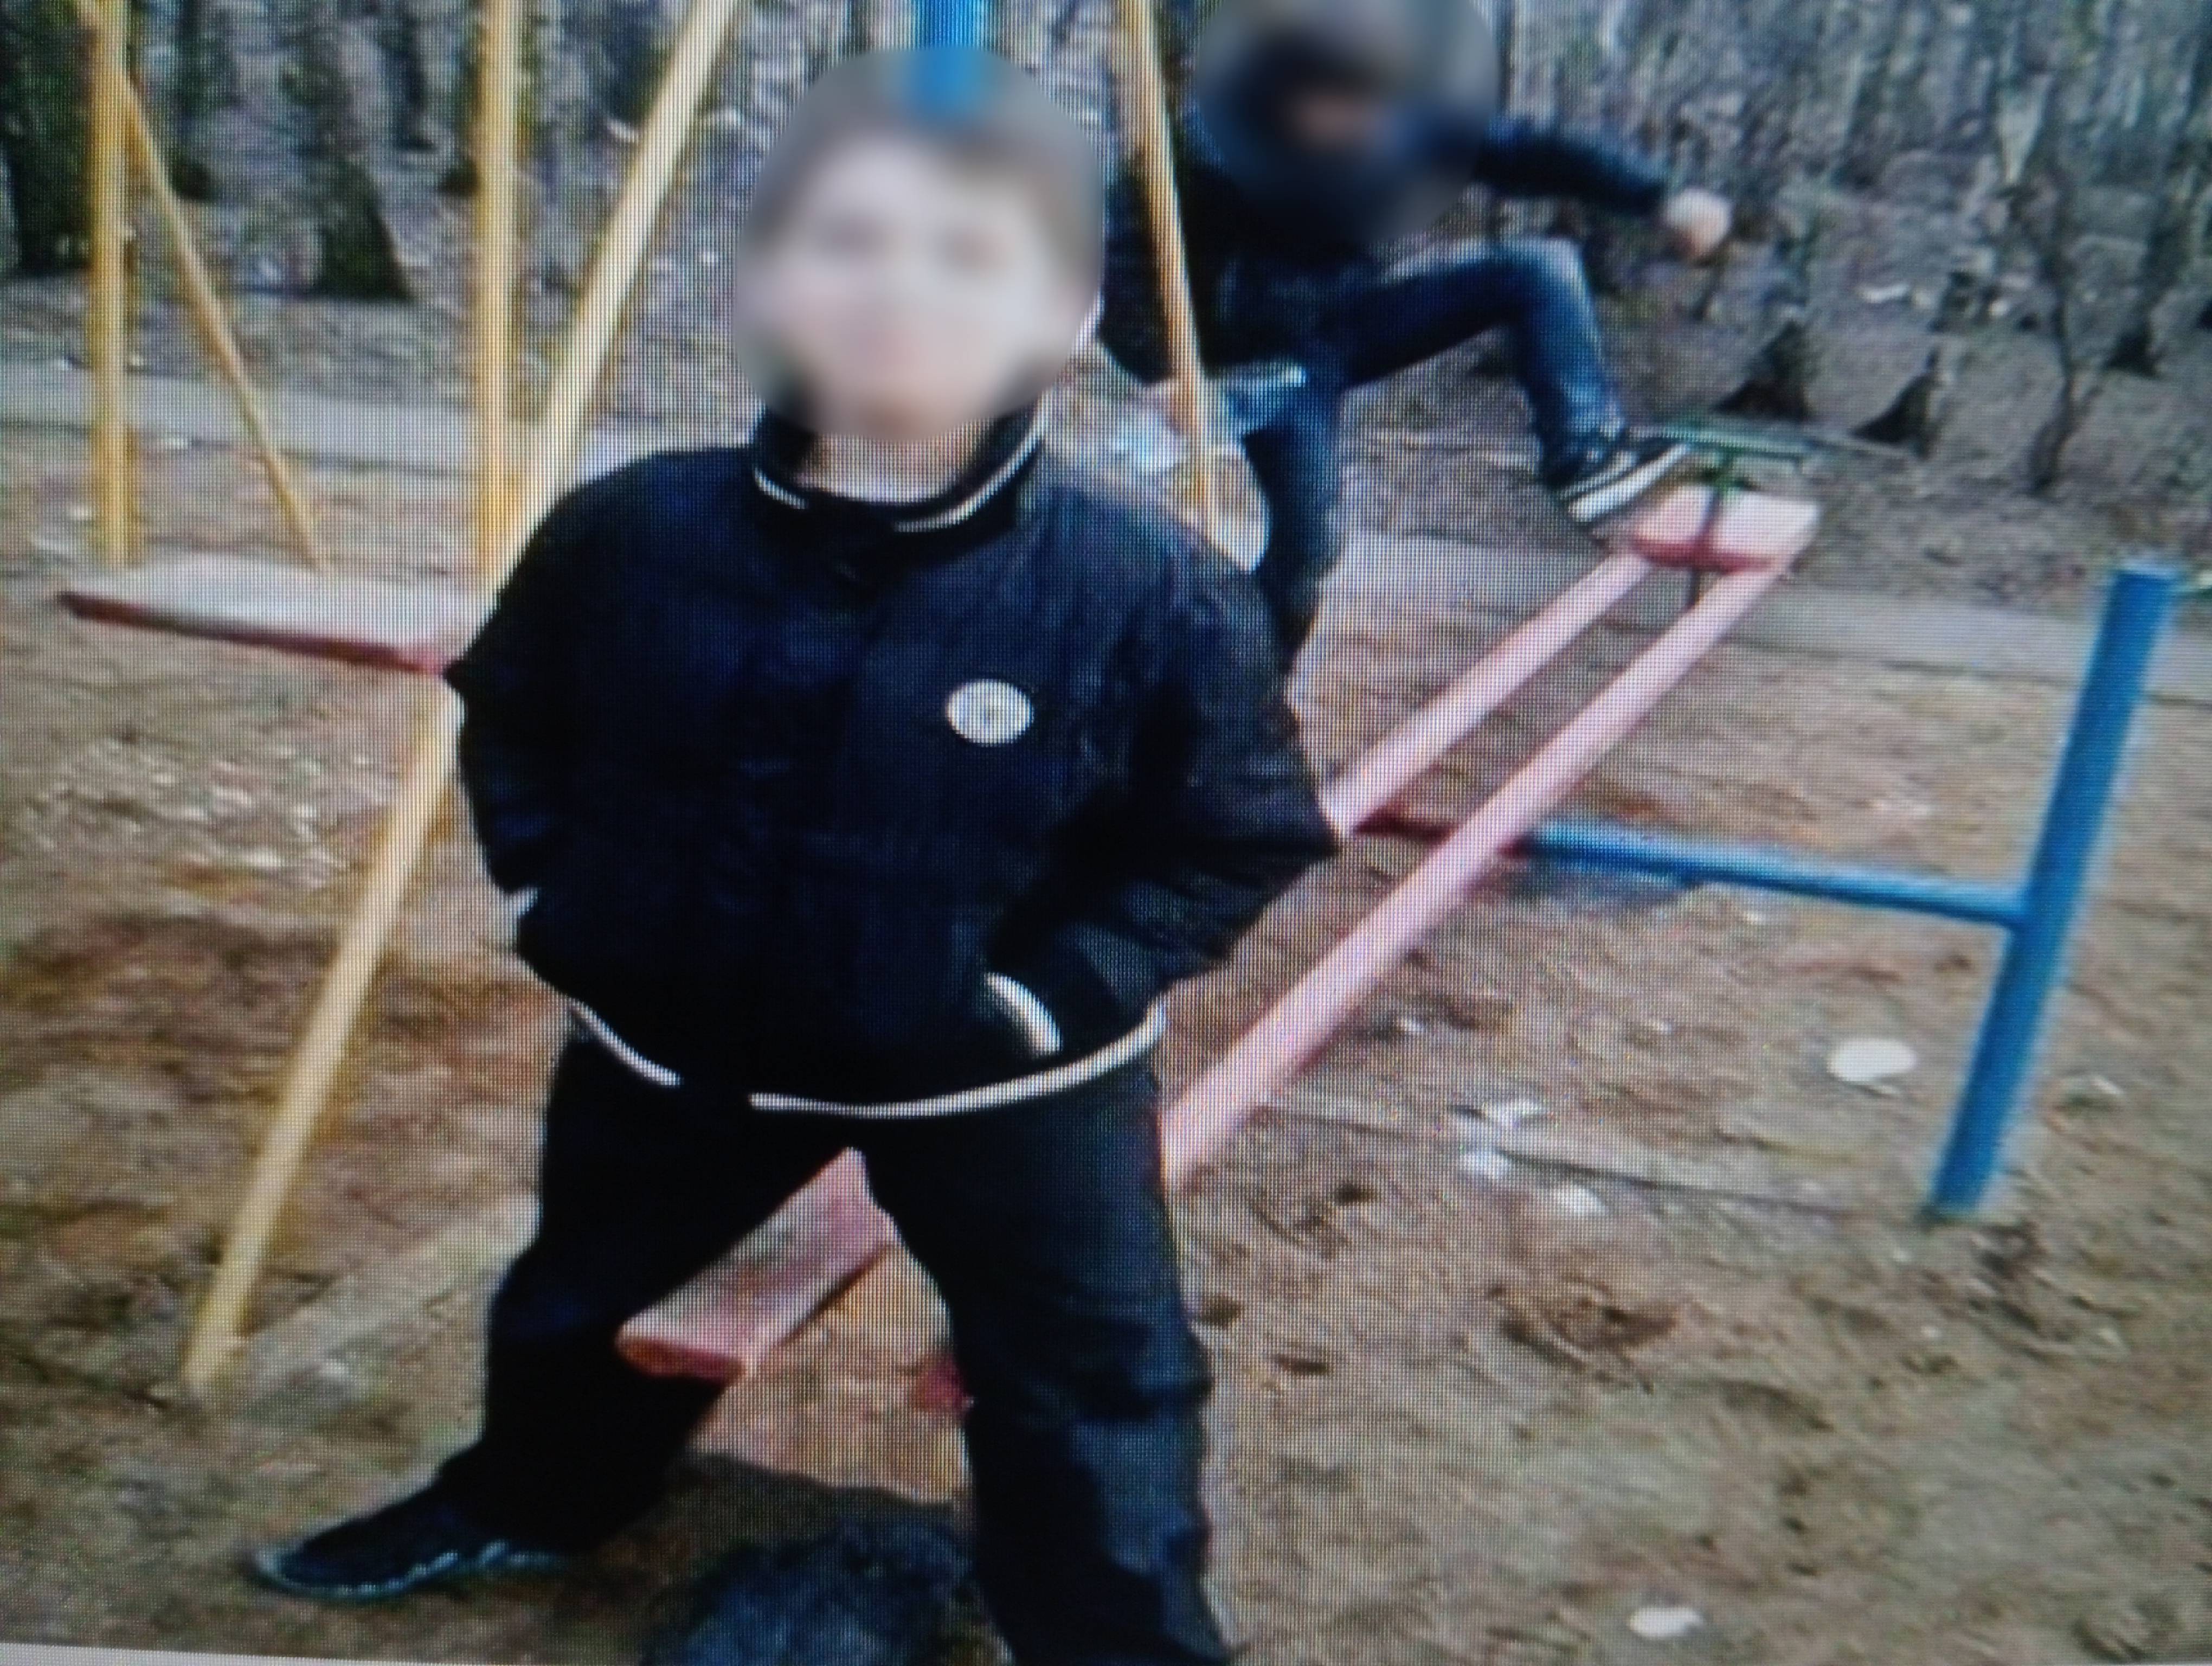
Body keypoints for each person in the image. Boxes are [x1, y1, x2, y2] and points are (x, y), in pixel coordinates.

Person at [248, 46, 1336, 1666]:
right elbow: (516, 711)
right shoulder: (630, 531)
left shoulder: (1152, 594)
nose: (899, 286)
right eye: (847, 240)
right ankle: (533, 1496)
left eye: (967, 255)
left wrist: (1039, 1001)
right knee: (573, 1299)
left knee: (1092, 1378)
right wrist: (562, 899)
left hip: (999, 1080)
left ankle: (1114, 1634)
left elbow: (1235, 834)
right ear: (766, 286)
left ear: (1061, 320)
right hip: (672, 1047)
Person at [1098, 0, 1734, 661]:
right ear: (1293, 95)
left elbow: (1531, 152)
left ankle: (1585, 456)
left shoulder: (1401, 122)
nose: (1363, 127)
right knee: (1308, 550)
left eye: (1374, 108)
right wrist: (1161, 369)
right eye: (1341, 109)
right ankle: (1236, 688)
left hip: (1352, 321)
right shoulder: (1208, 144)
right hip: (1259, 364)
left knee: (1538, 269)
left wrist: (1657, 196)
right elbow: (1120, 261)